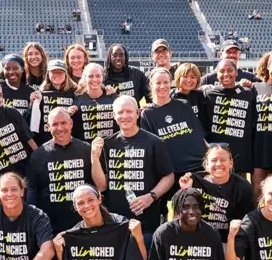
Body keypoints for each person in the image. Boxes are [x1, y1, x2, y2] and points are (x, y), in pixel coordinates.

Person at [93, 95, 175, 248]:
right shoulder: (107, 144)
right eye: (120, 112)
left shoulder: (153, 142)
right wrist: (94, 158)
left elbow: (169, 176)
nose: (125, 116)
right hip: (116, 221)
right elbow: (102, 186)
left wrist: (151, 197)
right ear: (114, 116)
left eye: (129, 111)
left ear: (137, 113)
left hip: (146, 221)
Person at [178, 145, 253, 260]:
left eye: (223, 160)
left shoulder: (243, 187)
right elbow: (178, 219)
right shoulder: (193, 181)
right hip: (198, 239)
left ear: (231, 163)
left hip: (226, 241)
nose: (218, 164)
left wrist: (240, 254)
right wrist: (185, 191)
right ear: (206, 164)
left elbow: (247, 224)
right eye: (214, 160)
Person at [26, 107, 106, 233]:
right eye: (55, 124)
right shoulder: (39, 155)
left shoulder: (86, 150)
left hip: (84, 224)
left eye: (63, 123)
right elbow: (32, 189)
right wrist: (33, 220)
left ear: (71, 123)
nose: (60, 128)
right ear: (48, 127)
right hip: (51, 226)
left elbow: (99, 187)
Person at [140, 67, 207, 178]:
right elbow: (151, 148)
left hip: (197, 168)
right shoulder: (147, 114)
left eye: (166, 82)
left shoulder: (184, 105)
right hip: (171, 173)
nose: (162, 86)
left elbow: (197, 135)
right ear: (151, 85)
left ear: (170, 83)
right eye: (158, 83)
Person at [204, 58, 257, 178]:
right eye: (222, 71)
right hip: (216, 160)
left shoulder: (248, 94)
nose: (226, 74)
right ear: (216, 74)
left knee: (237, 193)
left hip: (239, 160)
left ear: (236, 72)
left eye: (230, 70)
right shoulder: (208, 95)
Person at [32, 59, 78, 145]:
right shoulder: (40, 95)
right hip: (46, 141)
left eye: (60, 72)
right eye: (53, 72)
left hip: (70, 142)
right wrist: (32, 104)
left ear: (65, 74)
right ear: (48, 74)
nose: (57, 75)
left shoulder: (75, 92)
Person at [72, 63, 118, 142]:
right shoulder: (77, 97)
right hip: (85, 148)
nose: (94, 79)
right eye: (90, 76)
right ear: (85, 78)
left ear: (102, 77)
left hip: (109, 147)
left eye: (98, 76)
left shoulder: (111, 94)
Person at [171, 62, 210, 129]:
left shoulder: (201, 96)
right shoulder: (170, 96)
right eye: (185, 76)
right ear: (178, 78)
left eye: (192, 77)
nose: (189, 80)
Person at [0, 54, 37, 118]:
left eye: (15, 68)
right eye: (7, 68)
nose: (11, 72)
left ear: (22, 69)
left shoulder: (30, 92)